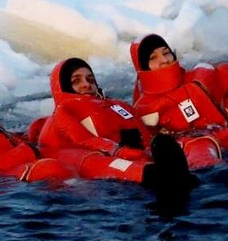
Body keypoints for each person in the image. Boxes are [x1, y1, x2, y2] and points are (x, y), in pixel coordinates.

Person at [37, 58, 198, 196]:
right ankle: (152, 174)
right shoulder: (64, 111)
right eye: (76, 81)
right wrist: (117, 150)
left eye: (90, 79)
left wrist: (151, 149)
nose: (86, 84)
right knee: (98, 161)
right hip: (93, 159)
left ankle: (181, 170)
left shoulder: (118, 105)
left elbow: (146, 138)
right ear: (64, 86)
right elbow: (82, 139)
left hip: (131, 155)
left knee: (167, 144)